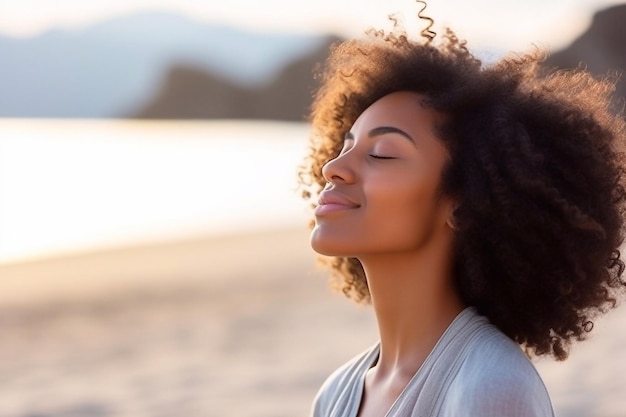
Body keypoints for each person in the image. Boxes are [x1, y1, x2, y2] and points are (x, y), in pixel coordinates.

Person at [298, 2, 626, 416]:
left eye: (381, 153)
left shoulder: (490, 388)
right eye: (346, 146)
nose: (333, 168)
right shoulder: (336, 394)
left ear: (464, 203)